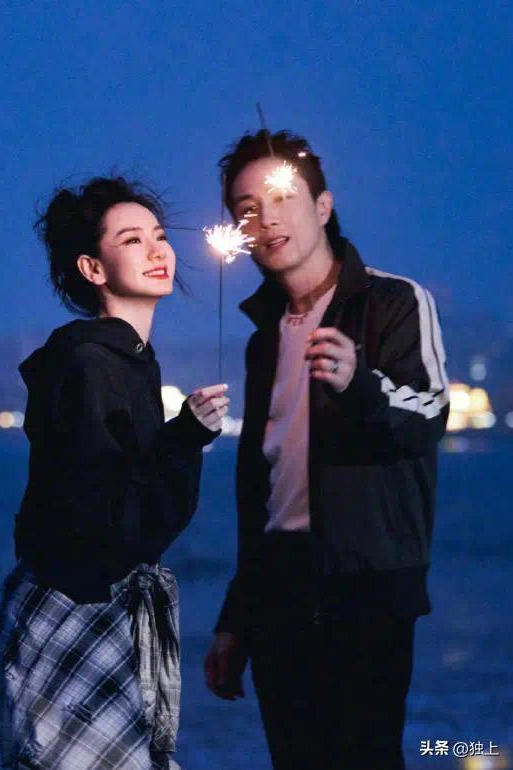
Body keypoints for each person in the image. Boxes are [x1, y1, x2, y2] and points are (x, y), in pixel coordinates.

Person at [204, 131, 449, 770]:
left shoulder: (393, 302)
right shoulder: (262, 340)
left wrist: (358, 384)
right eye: (247, 209)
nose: (266, 218)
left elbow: (429, 418)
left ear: (323, 206)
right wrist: (236, 618)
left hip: (366, 587)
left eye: (282, 196)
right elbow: (260, 492)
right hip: (278, 587)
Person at [0, 176, 229, 770]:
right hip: (75, 611)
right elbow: (109, 517)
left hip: (92, 607)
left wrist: (183, 433)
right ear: (93, 268)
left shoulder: (125, 358)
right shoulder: (89, 363)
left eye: (159, 235)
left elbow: (123, 489)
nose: (157, 250)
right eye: (131, 240)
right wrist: (186, 437)